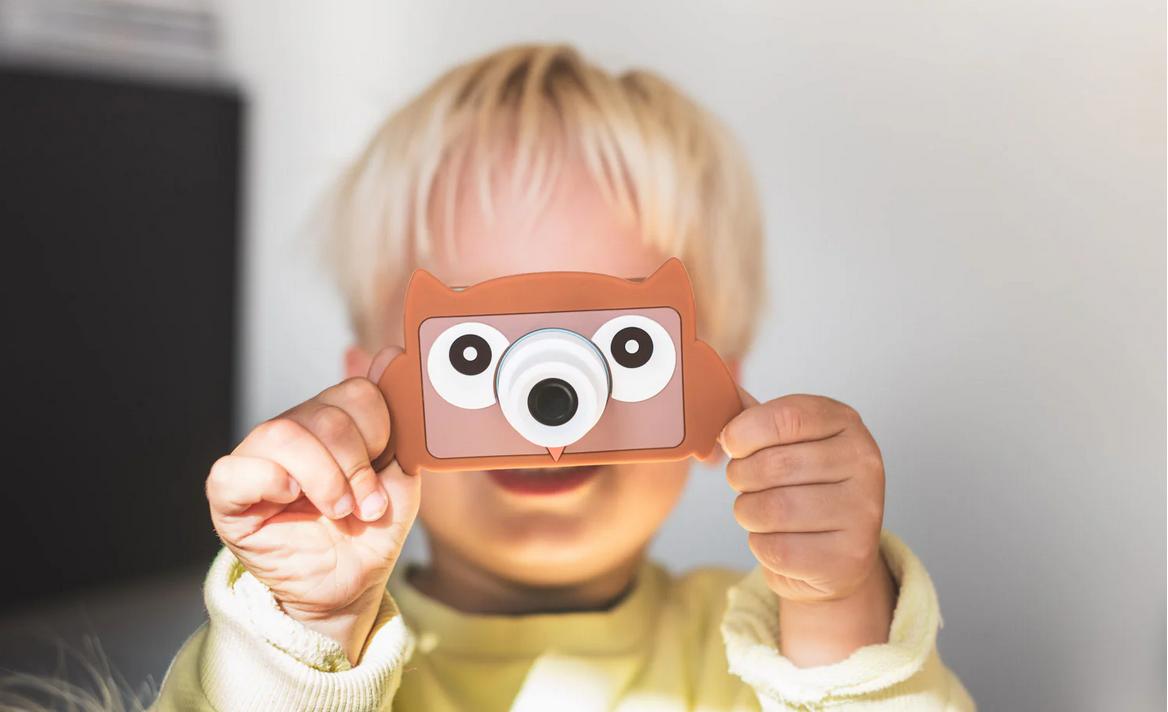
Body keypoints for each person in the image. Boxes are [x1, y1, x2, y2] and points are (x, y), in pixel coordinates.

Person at [152, 44, 974, 711]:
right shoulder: (317, 656)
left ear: (714, 389)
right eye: (472, 351)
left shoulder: (769, 647)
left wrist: (837, 613)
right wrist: (307, 632)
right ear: (370, 400)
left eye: (622, 347)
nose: (550, 406)